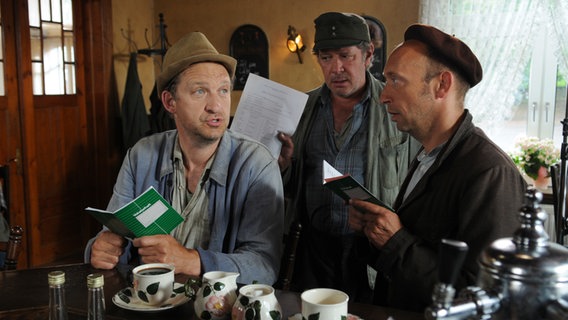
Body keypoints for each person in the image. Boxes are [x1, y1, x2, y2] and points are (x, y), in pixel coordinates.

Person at [348, 24, 527, 311]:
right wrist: (372, 232)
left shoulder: (491, 172)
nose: (384, 96)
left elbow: (484, 299)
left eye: (396, 81)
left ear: (442, 85)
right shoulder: (426, 156)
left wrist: (396, 241)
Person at [84, 32, 284, 285]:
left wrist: (191, 260)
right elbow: (113, 235)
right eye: (200, 91)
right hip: (149, 301)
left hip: (219, 307)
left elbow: (264, 267)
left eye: (223, 90)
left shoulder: (256, 164)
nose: (216, 105)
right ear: (170, 102)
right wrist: (100, 249)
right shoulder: (141, 156)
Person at [278, 12, 417, 301]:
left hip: (369, 252)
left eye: (346, 56)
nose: (336, 68)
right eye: (326, 58)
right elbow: (288, 190)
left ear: (368, 55)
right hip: (312, 249)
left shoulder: (395, 109)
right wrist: (284, 165)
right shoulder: (301, 109)